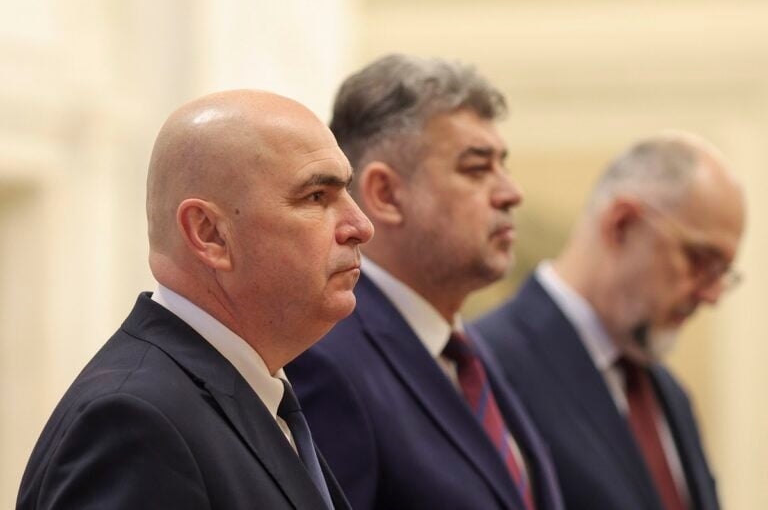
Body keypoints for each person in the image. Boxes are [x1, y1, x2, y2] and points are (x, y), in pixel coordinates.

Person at [17, 89, 373, 509]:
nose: (360, 226)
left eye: (347, 193)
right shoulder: (135, 424)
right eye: (317, 197)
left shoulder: (248, 392)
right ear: (209, 234)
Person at [286, 54, 564, 510]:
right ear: (386, 195)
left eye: (503, 166)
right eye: (477, 169)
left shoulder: (466, 351)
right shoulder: (328, 360)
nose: (510, 193)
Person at [475, 132, 744, 510]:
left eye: (722, 273)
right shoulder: (487, 368)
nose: (712, 295)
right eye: (700, 261)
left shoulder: (668, 392)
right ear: (622, 223)